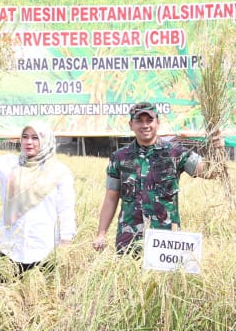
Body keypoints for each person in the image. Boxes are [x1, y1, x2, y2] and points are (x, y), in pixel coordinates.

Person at [93, 102, 221, 255]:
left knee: (165, 279)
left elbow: (211, 172)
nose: (145, 125)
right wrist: (101, 234)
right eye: (139, 121)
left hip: (166, 241)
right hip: (129, 240)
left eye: (149, 120)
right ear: (131, 125)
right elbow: (111, 198)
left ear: (158, 123)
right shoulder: (119, 157)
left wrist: (217, 149)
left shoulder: (175, 153)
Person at [0, 121, 76, 276]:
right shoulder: (8, 164)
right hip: (8, 247)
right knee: (4, 297)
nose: (29, 142)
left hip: (44, 249)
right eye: (25, 137)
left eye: (35, 137)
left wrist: (66, 241)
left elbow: (66, 210)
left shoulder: (59, 172)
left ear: (45, 140)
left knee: (41, 299)